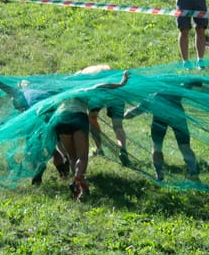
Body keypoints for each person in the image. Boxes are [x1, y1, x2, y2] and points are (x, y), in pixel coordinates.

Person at [51, 70, 130, 200]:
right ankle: (76, 181)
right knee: (82, 158)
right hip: (77, 118)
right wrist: (121, 83)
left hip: (61, 119)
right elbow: (102, 86)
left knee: (72, 158)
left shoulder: (61, 91)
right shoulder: (83, 89)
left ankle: (82, 189)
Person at [124, 86, 199, 181]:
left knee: (157, 146)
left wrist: (123, 115)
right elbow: (189, 86)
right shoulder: (174, 91)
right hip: (178, 117)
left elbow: (136, 111)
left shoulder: (153, 96)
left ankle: (159, 174)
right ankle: (193, 172)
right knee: (184, 146)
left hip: (160, 119)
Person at [76, 65, 129, 166]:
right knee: (118, 126)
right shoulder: (106, 67)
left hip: (98, 95)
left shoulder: (84, 73)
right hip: (116, 94)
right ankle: (123, 149)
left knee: (92, 118)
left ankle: (99, 149)